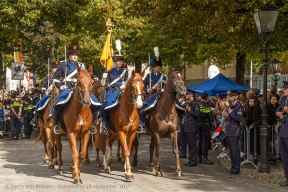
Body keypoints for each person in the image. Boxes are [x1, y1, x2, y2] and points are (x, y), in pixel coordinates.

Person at [52, 45, 97, 134]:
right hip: (67, 88)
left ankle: (91, 124)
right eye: (72, 55)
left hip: (80, 90)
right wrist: (60, 86)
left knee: (94, 102)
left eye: (76, 55)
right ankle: (56, 124)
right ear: (69, 56)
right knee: (57, 103)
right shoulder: (63, 65)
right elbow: (55, 78)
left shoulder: (81, 65)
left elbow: (85, 78)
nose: (74, 56)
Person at [100, 50, 128, 134]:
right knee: (106, 104)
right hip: (112, 91)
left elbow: (127, 80)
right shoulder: (110, 71)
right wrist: (104, 78)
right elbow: (105, 84)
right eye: (118, 61)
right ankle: (103, 125)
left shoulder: (125, 71)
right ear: (115, 62)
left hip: (122, 90)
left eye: (121, 61)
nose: (120, 62)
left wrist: (124, 84)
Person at [138, 52, 167, 133]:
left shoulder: (163, 76)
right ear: (153, 67)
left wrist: (163, 89)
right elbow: (143, 85)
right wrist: (147, 90)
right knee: (143, 109)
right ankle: (141, 124)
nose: (157, 68)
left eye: (158, 66)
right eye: (156, 66)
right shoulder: (149, 76)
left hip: (161, 95)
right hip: (151, 95)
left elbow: (167, 85)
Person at [30, 61, 59, 126]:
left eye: (57, 68)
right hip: (50, 94)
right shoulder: (49, 76)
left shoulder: (61, 76)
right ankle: (35, 118)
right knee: (40, 102)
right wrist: (44, 90)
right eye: (54, 68)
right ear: (52, 69)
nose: (55, 69)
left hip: (60, 94)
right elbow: (43, 85)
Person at [223, 90, 244, 175]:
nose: (230, 97)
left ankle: (236, 168)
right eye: (229, 96)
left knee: (235, 150)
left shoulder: (239, 106)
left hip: (234, 130)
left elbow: (239, 118)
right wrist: (227, 116)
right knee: (231, 150)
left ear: (236, 96)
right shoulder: (231, 106)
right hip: (230, 129)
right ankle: (233, 167)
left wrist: (230, 113)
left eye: (231, 96)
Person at [183, 89, 200, 167]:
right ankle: (190, 160)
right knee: (189, 144)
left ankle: (194, 160)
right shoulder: (188, 103)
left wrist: (189, 110)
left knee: (192, 144)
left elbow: (197, 114)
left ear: (191, 95)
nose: (186, 95)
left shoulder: (195, 103)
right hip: (188, 126)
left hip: (192, 126)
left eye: (187, 94)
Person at [242, 95, 261, 162]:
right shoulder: (247, 108)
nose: (250, 103)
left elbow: (258, 120)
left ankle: (254, 154)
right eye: (250, 101)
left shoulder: (258, 109)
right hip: (247, 126)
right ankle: (247, 153)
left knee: (254, 141)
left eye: (252, 102)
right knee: (247, 141)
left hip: (254, 127)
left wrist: (253, 124)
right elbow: (244, 117)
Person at [276, 81, 288, 187]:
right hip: (283, 131)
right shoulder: (284, 99)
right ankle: (287, 178)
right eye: (283, 89)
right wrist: (279, 113)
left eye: (286, 89)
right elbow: (278, 109)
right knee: (284, 156)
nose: (284, 90)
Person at [197, 92, 214, 165]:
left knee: (199, 140)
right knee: (205, 141)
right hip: (205, 123)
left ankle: (199, 157)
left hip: (198, 123)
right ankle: (205, 157)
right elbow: (211, 117)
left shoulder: (198, 105)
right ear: (206, 98)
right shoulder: (206, 106)